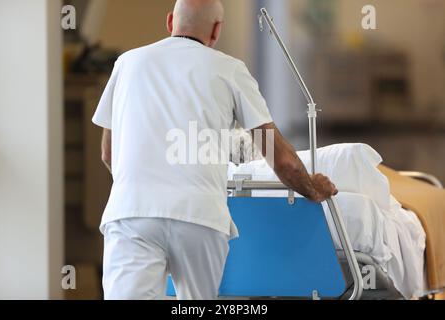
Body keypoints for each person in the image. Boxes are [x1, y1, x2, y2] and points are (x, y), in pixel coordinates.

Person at [92, 0, 338, 300]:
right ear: (217, 30)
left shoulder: (127, 63)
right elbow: (281, 159)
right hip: (199, 217)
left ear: (170, 22)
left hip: (132, 213)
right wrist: (312, 188)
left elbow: (108, 153)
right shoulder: (230, 69)